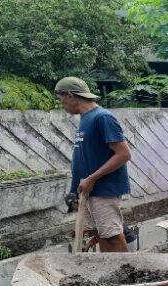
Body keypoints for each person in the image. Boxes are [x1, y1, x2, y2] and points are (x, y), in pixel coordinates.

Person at [55, 77, 132, 253]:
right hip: (89, 191)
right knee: (102, 234)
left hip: (104, 190)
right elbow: (84, 158)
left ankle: (126, 269)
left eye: (61, 100)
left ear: (70, 95)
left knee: (112, 236)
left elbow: (124, 154)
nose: (61, 105)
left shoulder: (102, 117)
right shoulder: (85, 119)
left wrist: (91, 179)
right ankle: (108, 268)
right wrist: (74, 191)